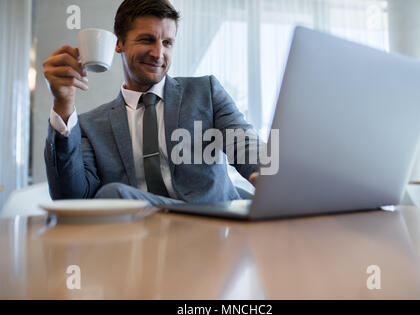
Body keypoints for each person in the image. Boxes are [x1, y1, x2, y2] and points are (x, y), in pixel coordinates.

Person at [43, 0, 260, 205]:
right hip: (145, 233)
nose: (158, 53)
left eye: (167, 43)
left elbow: (243, 143)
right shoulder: (90, 126)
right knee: (112, 196)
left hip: (215, 224)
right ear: (118, 43)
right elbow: (71, 197)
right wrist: (63, 104)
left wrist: (266, 171)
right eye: (147, 40)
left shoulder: (206, 92)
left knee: (113, 194)